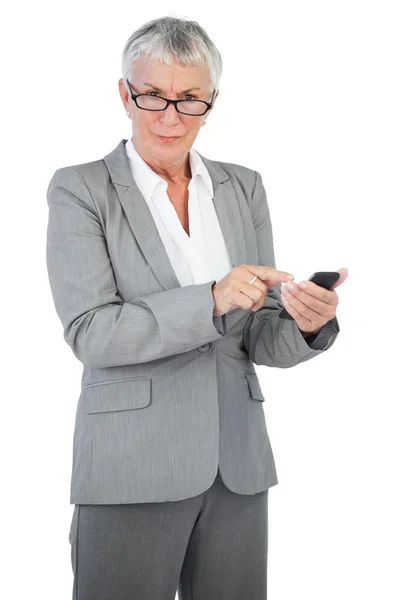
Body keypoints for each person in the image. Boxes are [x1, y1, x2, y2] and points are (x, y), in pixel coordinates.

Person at [45, 15, 346, 600]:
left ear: (212, 101)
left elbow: (258, 336)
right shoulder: (80, 189)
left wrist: (308, 325)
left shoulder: (244, 186)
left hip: (237, 466)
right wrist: (209, 299)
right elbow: (91, 332)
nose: (170, 116)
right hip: (131, 467)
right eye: (152, 94)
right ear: (124, 95)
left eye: (190, 99)